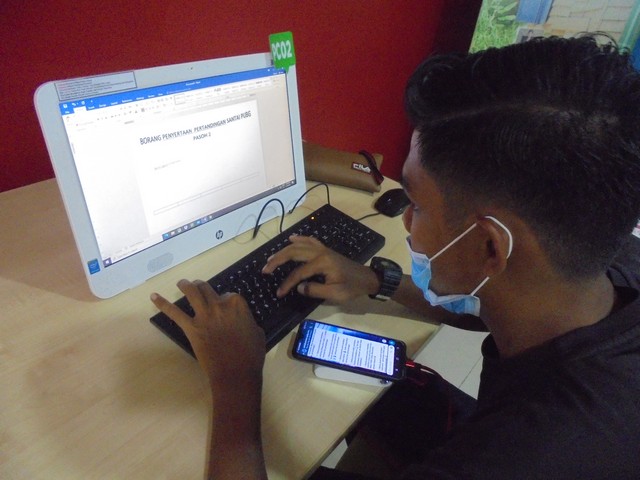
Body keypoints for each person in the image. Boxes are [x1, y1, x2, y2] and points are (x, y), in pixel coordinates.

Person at [150, 35, 640, 479]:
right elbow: (492, 305)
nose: (405, 221)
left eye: (417, 205)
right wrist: (374, 281)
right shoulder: (598, 262)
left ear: (491, 247)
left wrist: (236, 381)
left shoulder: (525, 455)